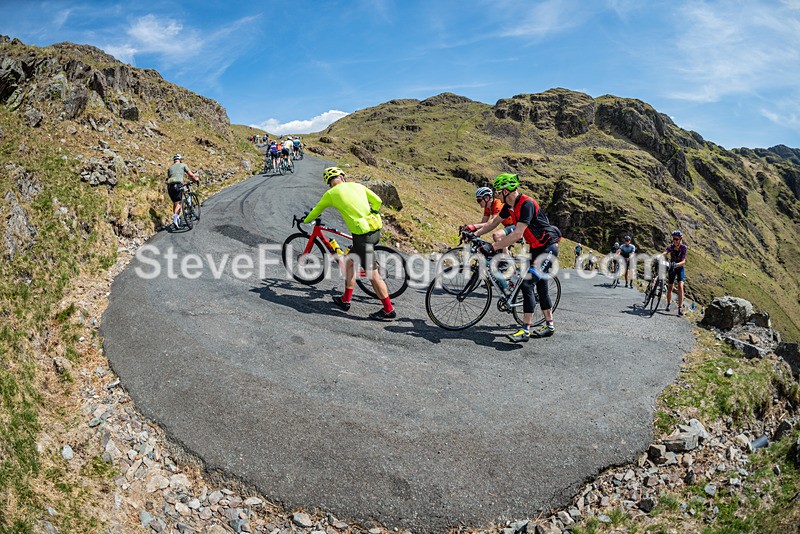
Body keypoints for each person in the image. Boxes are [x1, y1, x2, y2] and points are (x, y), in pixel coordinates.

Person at [472, 173, 561, 341]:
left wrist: (492, 247)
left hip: (548, 248)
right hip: (535, 248)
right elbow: (493, 223)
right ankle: (549, 325)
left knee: (527, 284)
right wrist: (474, 232)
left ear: (506, 191)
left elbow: (517, 234)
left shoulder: (526, 204)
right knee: (541, 287)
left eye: (498, 191)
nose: (496, 195)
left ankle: (525, 330)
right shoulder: (509, 206)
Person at [303, 167, 396, 321]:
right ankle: (345, 300)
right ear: (342, 177)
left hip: (362, 236)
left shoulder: (331, 194)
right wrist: (373, 212)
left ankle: (388, 310)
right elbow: (378, 201)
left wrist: (305, 220)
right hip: (375, 230)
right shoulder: (358, 185)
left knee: (373, 275)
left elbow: (316, 211)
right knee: (350, 264)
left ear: (329, 183)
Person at [166, 154, 198, 228]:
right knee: (179, 203)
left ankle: (176, 219)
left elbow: (169, 177)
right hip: (178, 185)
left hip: (170, 187)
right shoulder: (183, 165)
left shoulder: (170, 168)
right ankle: (175, 218)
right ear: (180, 160)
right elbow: (191, 175)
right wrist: (195, 179)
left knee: (175, 203)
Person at [664, 230, 687, 316]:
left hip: (679, 267)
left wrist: (676, 264)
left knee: (681, 286)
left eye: (677, 239)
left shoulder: (683, 248)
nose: (675, 241)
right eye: (674, 239)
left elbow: (684, 261)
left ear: (680, 239)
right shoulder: (671, 247)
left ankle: (680, 307)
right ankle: (668, 304)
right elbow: (666, 252)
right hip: (672, 268)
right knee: (670, 287)